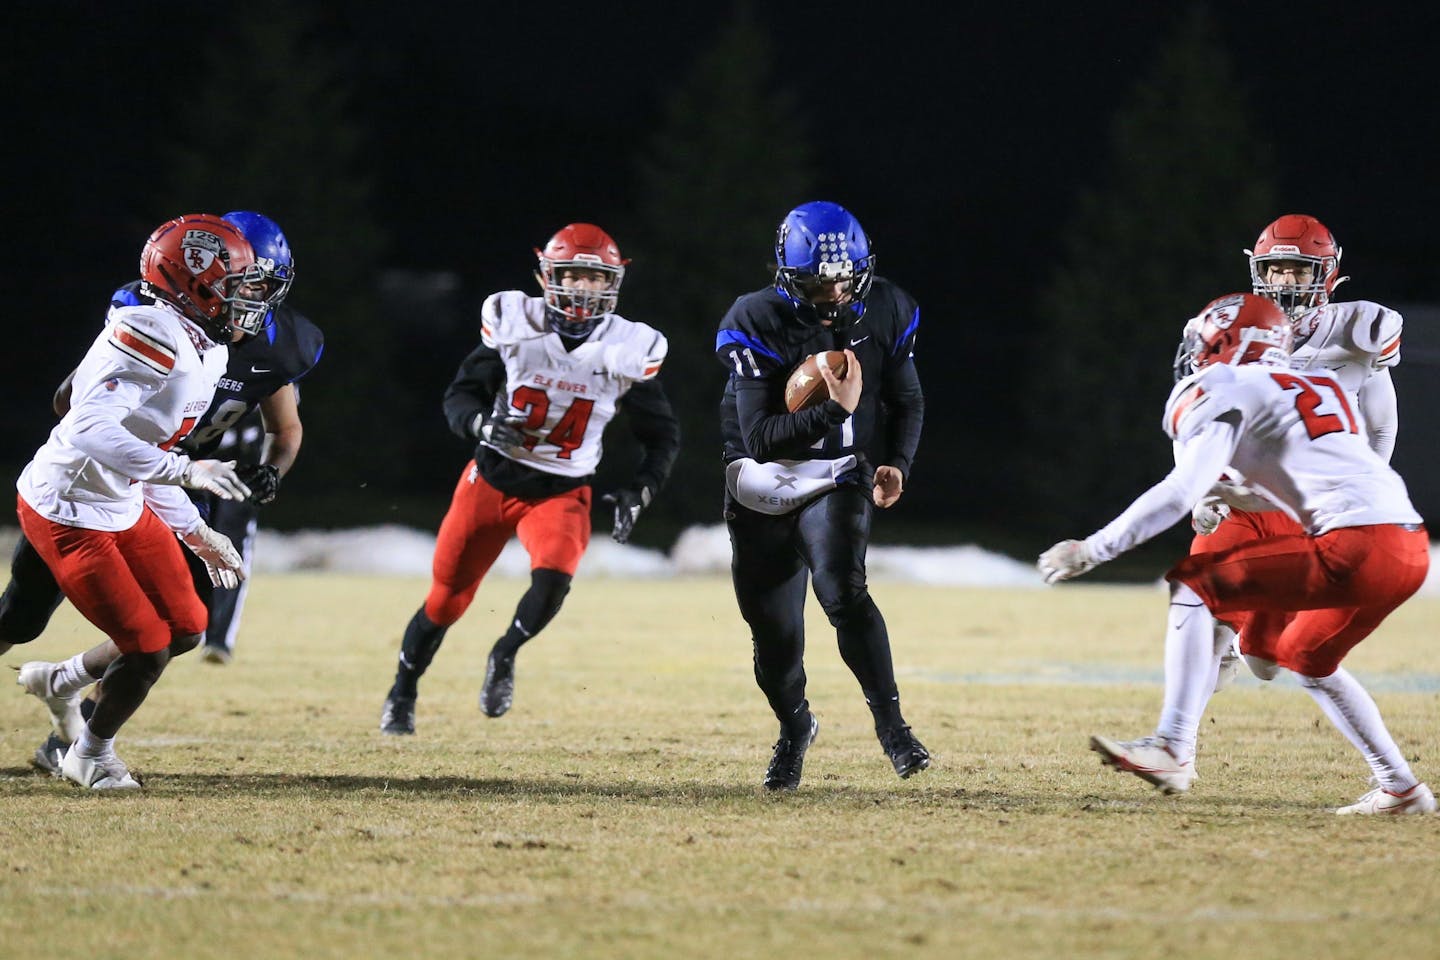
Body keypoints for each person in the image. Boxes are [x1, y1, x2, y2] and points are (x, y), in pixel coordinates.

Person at [1040, 293, 1433, 814]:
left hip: (1353, 545)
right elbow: (1311, 473)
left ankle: (1172, 746)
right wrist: (1231, 495)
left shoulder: (1223, 383)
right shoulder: (1320, 385)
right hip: (1409, 545)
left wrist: (1093, 549)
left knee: (1194, 582)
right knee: (1309, 661)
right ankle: (1403, 788)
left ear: (1224, 342)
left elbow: (1181, 491)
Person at [9, 211, 322, 772]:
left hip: (143, 487)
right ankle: (86, 749)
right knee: (28, 617)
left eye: (260, 280)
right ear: (199, 281)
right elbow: (78, 415)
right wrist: (184, 471)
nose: (257, 296)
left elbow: (278, 428)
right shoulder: (149, 323)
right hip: (80, 495)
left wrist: (199, 525)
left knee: (181, 628)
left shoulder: (219, 346)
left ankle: (65, 693)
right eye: (245, 281)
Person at [379, 223, 679, 734]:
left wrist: (642, 488)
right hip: (491, 479)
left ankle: (505, 652)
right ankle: (403, 688)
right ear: (549, 276)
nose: (584, 289)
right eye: (574, 275)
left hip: (561, 490)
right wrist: (481, 424)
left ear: (613, 284)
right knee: (446, 600)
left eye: (595, 278)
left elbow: (662, 436)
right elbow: (460, 396)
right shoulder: (515, 324)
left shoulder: (628, 348)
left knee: (554, 579)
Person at [713, 201, 926, 791]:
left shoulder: (887, 306)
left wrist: (896, 463)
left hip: (838, 472)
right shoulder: (754, 317)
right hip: (761, 479)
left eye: (842, 277)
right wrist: (835, 408)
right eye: (816, 280)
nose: (832, 291)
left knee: (841, 588)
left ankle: (894, 730)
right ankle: (795, 727)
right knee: (775, 638)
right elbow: (758, 438)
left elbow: (908, 399)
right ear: (788, 275)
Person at [1185, 215, 1404, 693]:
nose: (1285, 280)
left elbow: (1381, 424)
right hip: (1245, 496)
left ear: (1326, 273)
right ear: (1257, 271)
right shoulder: (1231, 328)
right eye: (1276, 269)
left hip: (1312, 505)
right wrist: (1204, 488)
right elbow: (1201, 424)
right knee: (1201, 624)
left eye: (1298, 270)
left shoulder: (1361, 329)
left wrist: (1362, 497)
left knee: (1267, 662)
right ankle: (1177, 751)